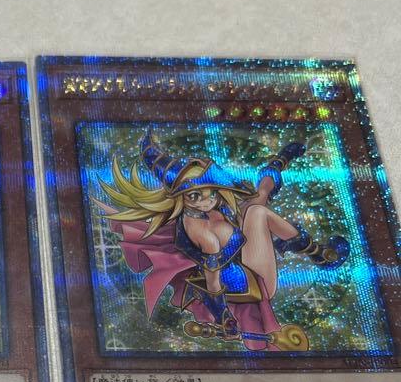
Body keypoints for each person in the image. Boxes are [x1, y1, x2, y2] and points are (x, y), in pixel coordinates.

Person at [96, 129, 349, 350]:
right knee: (257, 212)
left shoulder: (215, 207)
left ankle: (278, 162)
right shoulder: (202, 233)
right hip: (252, 284)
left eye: (210, 192)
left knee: (259, 196)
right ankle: (320, 254)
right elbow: (213, 281)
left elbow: (238, 207)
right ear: (182, 198)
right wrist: (224, 318)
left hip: (245, 257)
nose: (206, 200)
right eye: (194, 196)